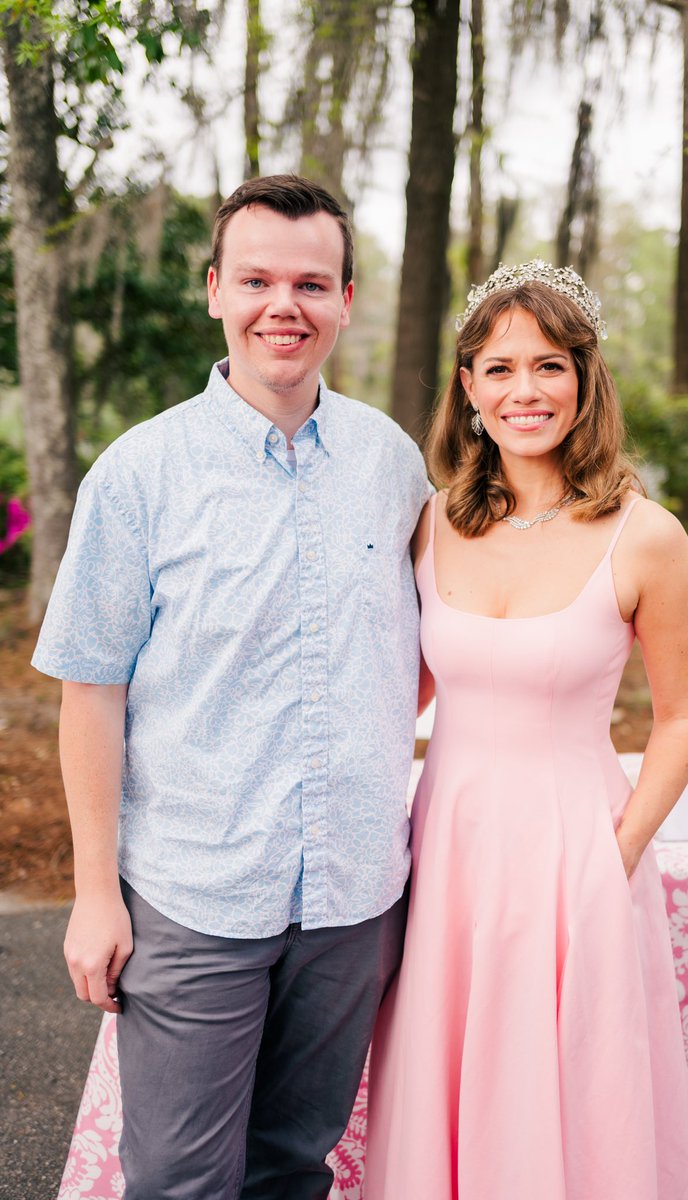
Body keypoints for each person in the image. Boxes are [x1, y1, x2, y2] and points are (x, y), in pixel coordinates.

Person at [32, 174, 429, 1200]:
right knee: (179, 1181)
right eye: (256, 279)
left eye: (311, 282)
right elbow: (90, 694)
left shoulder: (391, 464)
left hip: (351, 901)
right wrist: (91, 895)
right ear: (215, 290)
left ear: (346, 299)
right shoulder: (137, 476)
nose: (282, 305)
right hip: (197, 895)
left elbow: (440, 641)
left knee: (295, 1167)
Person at [365, 260, 688, 1199]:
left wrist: (618, 848)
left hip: (580, 847)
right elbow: (404, 693)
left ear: (585, 382)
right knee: (451, 1064)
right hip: (452, 844)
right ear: (468, 389)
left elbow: (682, 716)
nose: (527, 390)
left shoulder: (646, 535)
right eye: (502, 368)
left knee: (574, 1082)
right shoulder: (429, 525)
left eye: (550, 365)